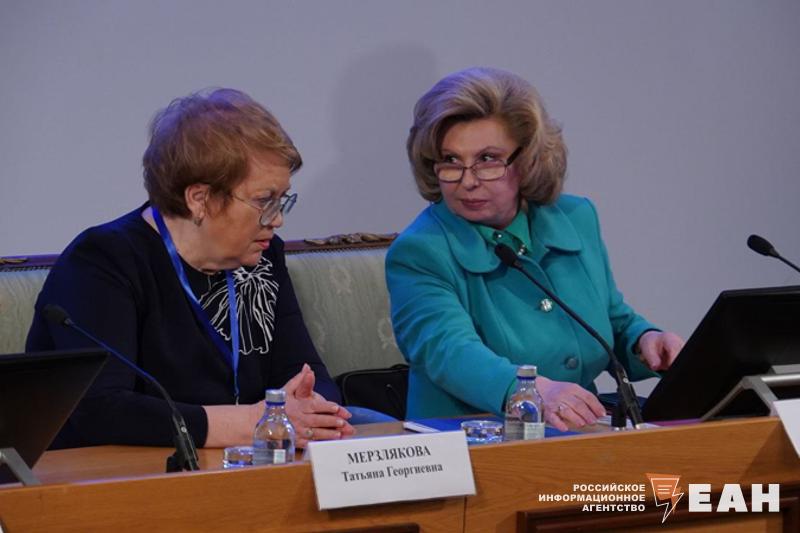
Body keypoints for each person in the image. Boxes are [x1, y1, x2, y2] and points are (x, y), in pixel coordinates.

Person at [27, 88, 354, 449]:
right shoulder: (103, 261)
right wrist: (253, 422)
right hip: (123, 471)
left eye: (282, 199)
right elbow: (103, 410)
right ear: (199, 199)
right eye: (264, 200)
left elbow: (307, 371)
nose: (277, 220)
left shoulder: (263, 255)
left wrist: (312, 407)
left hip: (240, 462)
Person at [386, 67, 684, 430]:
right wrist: (534, 391)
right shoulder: (419, 251)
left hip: (577, 430)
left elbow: (610, 318)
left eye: (487, 159)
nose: (468, 181)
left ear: (528, 159)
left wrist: (646, 341)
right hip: (471, 438)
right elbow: (449, 352)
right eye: (450, 161)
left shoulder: (575, 218)